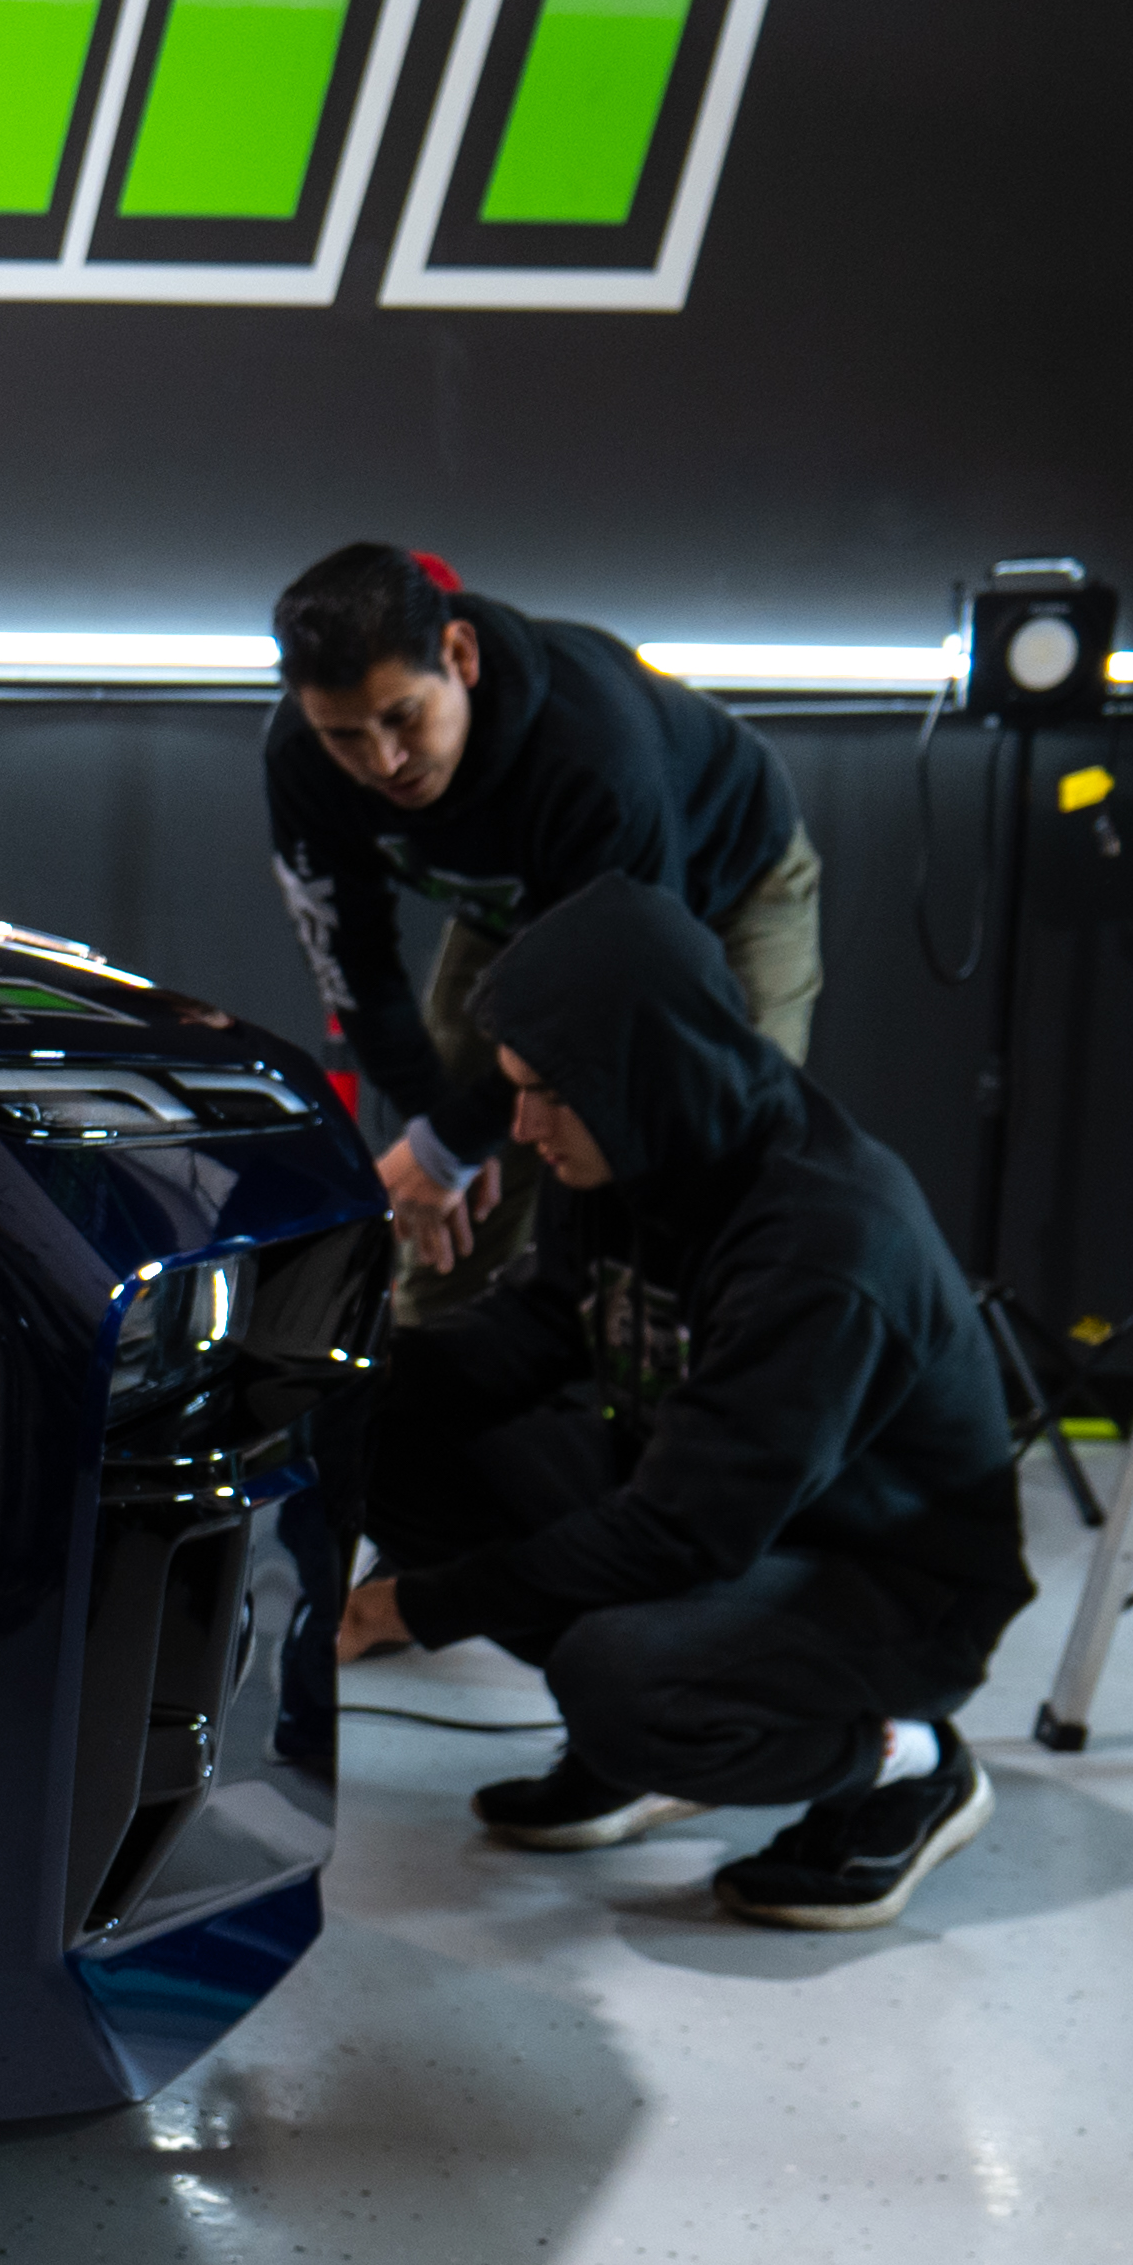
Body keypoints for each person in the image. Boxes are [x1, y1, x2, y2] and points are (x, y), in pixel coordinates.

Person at [326, 878, 1030, 1928]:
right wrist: (334, 1376)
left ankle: (906, 1762)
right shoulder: (625, 1142)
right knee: (390, 1435)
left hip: (888, 1579)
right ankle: (626, 1754)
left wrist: (401, 1607)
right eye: (512, 1088)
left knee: (622, 1680)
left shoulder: (823, 1243)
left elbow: (681, 1532)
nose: (519, 1127)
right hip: (710, 1500)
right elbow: (527, 1334)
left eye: (545, 1094)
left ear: (635, 1071)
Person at [260, 543, 828, 1762]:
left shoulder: (594, 749)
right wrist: (431, 1140)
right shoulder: (307, 760)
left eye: (402, 720)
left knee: (692, 1179)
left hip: (716, 893)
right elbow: (350, 965)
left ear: (457, 655)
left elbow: (628, 993)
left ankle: (688, 1576)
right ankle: (441, 1562)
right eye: (346, 736)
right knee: (440, 1228)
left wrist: (456, 1138)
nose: (381, 762)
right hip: (518, 904)